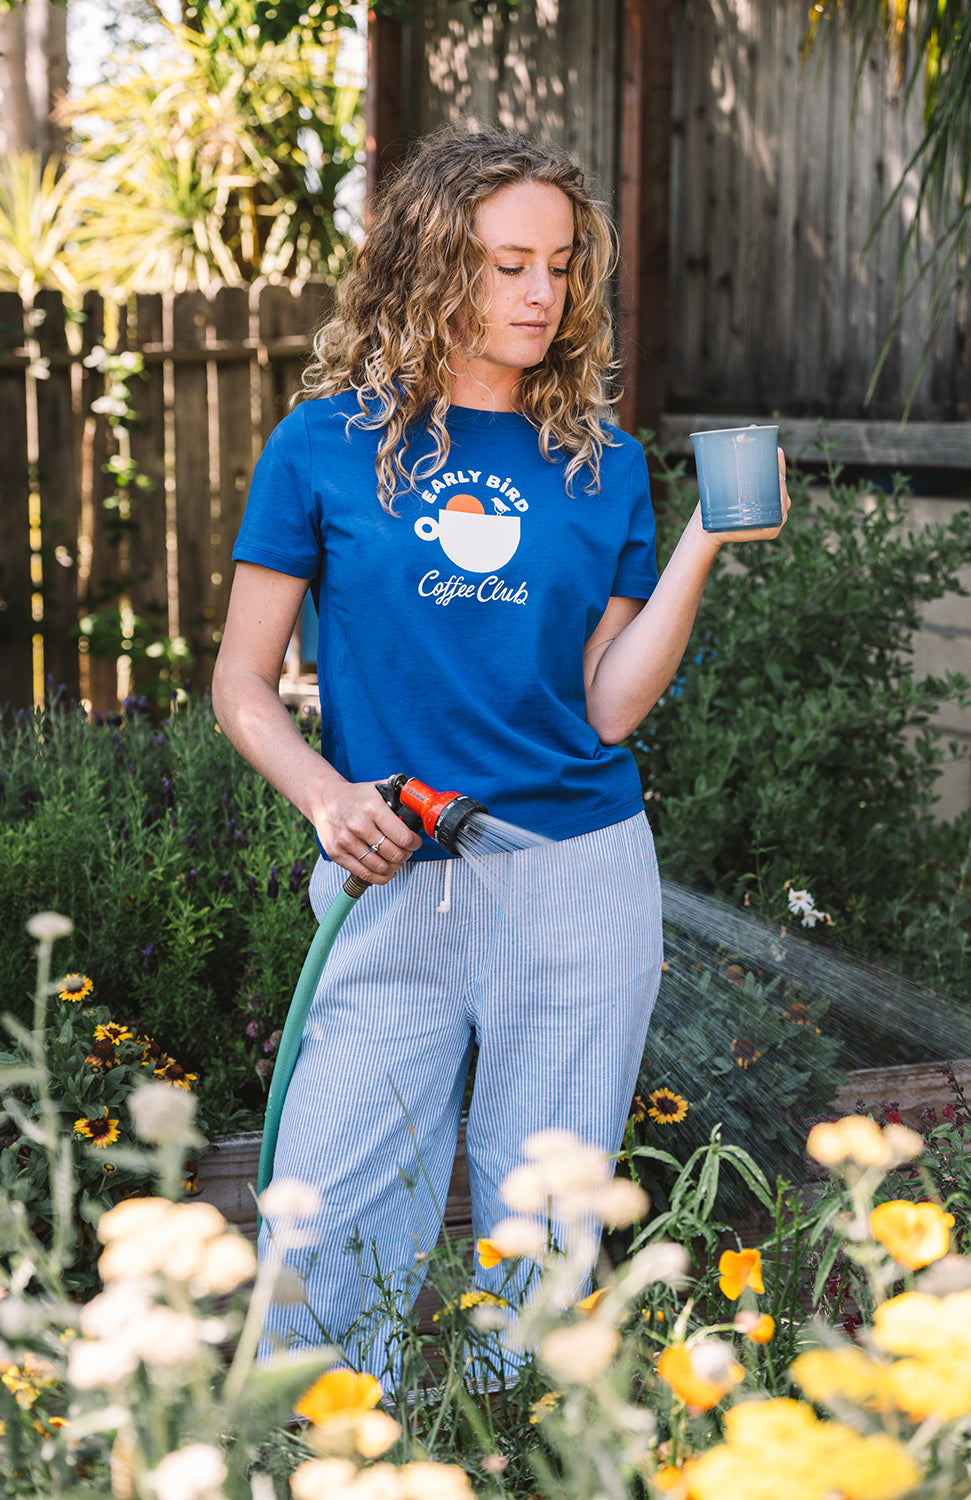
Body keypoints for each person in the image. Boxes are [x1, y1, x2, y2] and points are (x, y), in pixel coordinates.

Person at [211, 126, 790, 1381]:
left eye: (560, 265)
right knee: (323, 1220)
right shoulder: (324, 446)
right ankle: (314, 1449)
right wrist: (323, 796)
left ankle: (517, 1449)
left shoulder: (604, 466)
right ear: (431, 266)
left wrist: (698, 542)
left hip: (576, 880)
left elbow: (609, 709)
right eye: (505, 265)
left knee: (543, 1239)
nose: (541, 294)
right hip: (388, 877)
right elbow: (240, 682)